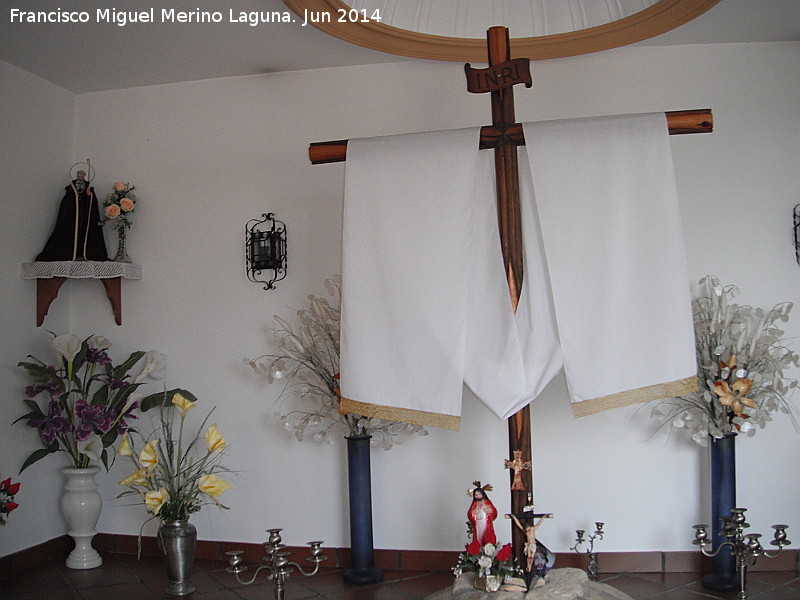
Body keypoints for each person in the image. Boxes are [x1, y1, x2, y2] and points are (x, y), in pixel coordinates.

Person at [36, 169, 109, 261]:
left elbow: (92, 200)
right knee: (70, 231)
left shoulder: (88, 186)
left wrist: (89, 195)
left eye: (82, 176)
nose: (80, 177)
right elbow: (68, 201)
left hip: (84, 212)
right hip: (73, 214)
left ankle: (82, 251)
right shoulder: (70, 188)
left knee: (84, 231)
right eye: (79, 175)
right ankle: (70, 251)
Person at [467, 482, 498, 550]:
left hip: (486, 523)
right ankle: (478, 549)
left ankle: (488, 549)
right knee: (478, 537)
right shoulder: (474, 504)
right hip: (478, 523)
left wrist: (490, 511)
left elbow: (494, 512)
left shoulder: (487, 502)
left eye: (479, 494)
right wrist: (473, 513)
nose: (477, 496)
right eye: (476, 495)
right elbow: (470, 514)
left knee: (487, 536)